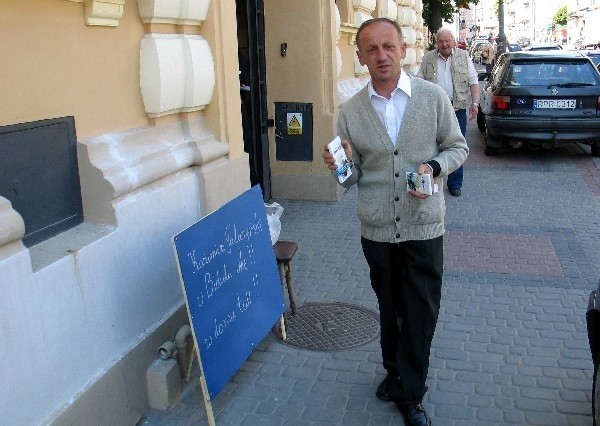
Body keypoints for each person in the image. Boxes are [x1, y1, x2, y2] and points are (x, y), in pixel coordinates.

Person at [322, 18, 468, 426]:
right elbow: (350, 181)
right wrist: (338, 167)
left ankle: (411, 393)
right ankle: (395, 373)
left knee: (420, 311)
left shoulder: (433, 97)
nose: (381, 55)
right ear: (360, 57)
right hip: (378, 231)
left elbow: (458, 147)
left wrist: (435, 166)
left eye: (389, 46)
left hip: (424, 226)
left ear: (404, 50)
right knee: (390, 308)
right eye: (371, 49)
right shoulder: (350, 112)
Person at [417, 28, 479, 197]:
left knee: (457, 145)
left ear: (453, 41)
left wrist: (474, 103)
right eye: (441, 41)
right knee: (432, 145)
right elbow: (419, 81)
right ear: (436, 42)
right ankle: (433, 177)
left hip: (457, 108)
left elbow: (473, 81)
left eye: (447, 40)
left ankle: (455, 183)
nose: (444, 44)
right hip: (433, 110)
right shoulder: (428, 58)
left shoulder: (463, 56)